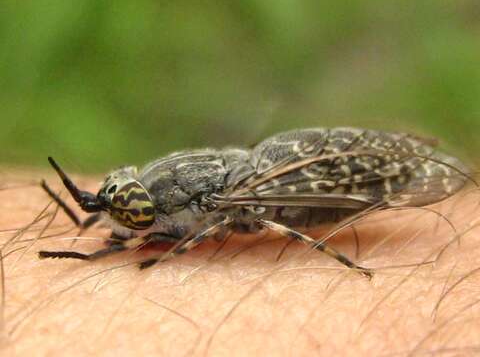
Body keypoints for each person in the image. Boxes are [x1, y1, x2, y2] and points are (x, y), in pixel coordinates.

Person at [1, 174, 479, 356]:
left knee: (274, 223)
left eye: (131, 209)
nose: (124, 221)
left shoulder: (212, 206)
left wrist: (172, 253)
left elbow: (212, 227)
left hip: (277, 199)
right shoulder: (157, 195)